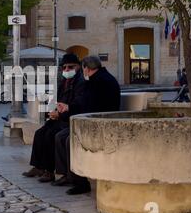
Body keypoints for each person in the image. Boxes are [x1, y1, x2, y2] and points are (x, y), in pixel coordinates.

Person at [54, 55, 121, 195]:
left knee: (69, 140)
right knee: (61, 136)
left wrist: (68, 109)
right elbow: (86, 104)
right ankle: (68, 175)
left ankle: (80, 183)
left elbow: (87, 106)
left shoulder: (96, 82)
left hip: (99, 124)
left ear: (86, 68)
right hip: (99, 120)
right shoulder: (102, 78)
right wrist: (68, 108)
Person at [22, 53, 85, 183]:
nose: (67, 70)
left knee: (50, 135)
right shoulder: (65, 82)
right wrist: (54, 112)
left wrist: (60, 114)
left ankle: (49, 171)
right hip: (61, 117)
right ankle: (38, 166)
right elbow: (60, 101)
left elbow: (77, 105)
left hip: (70, 119)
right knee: (40, 133)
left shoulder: (80, 82)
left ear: (78, 66)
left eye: (70, 67)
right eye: (64, 67)